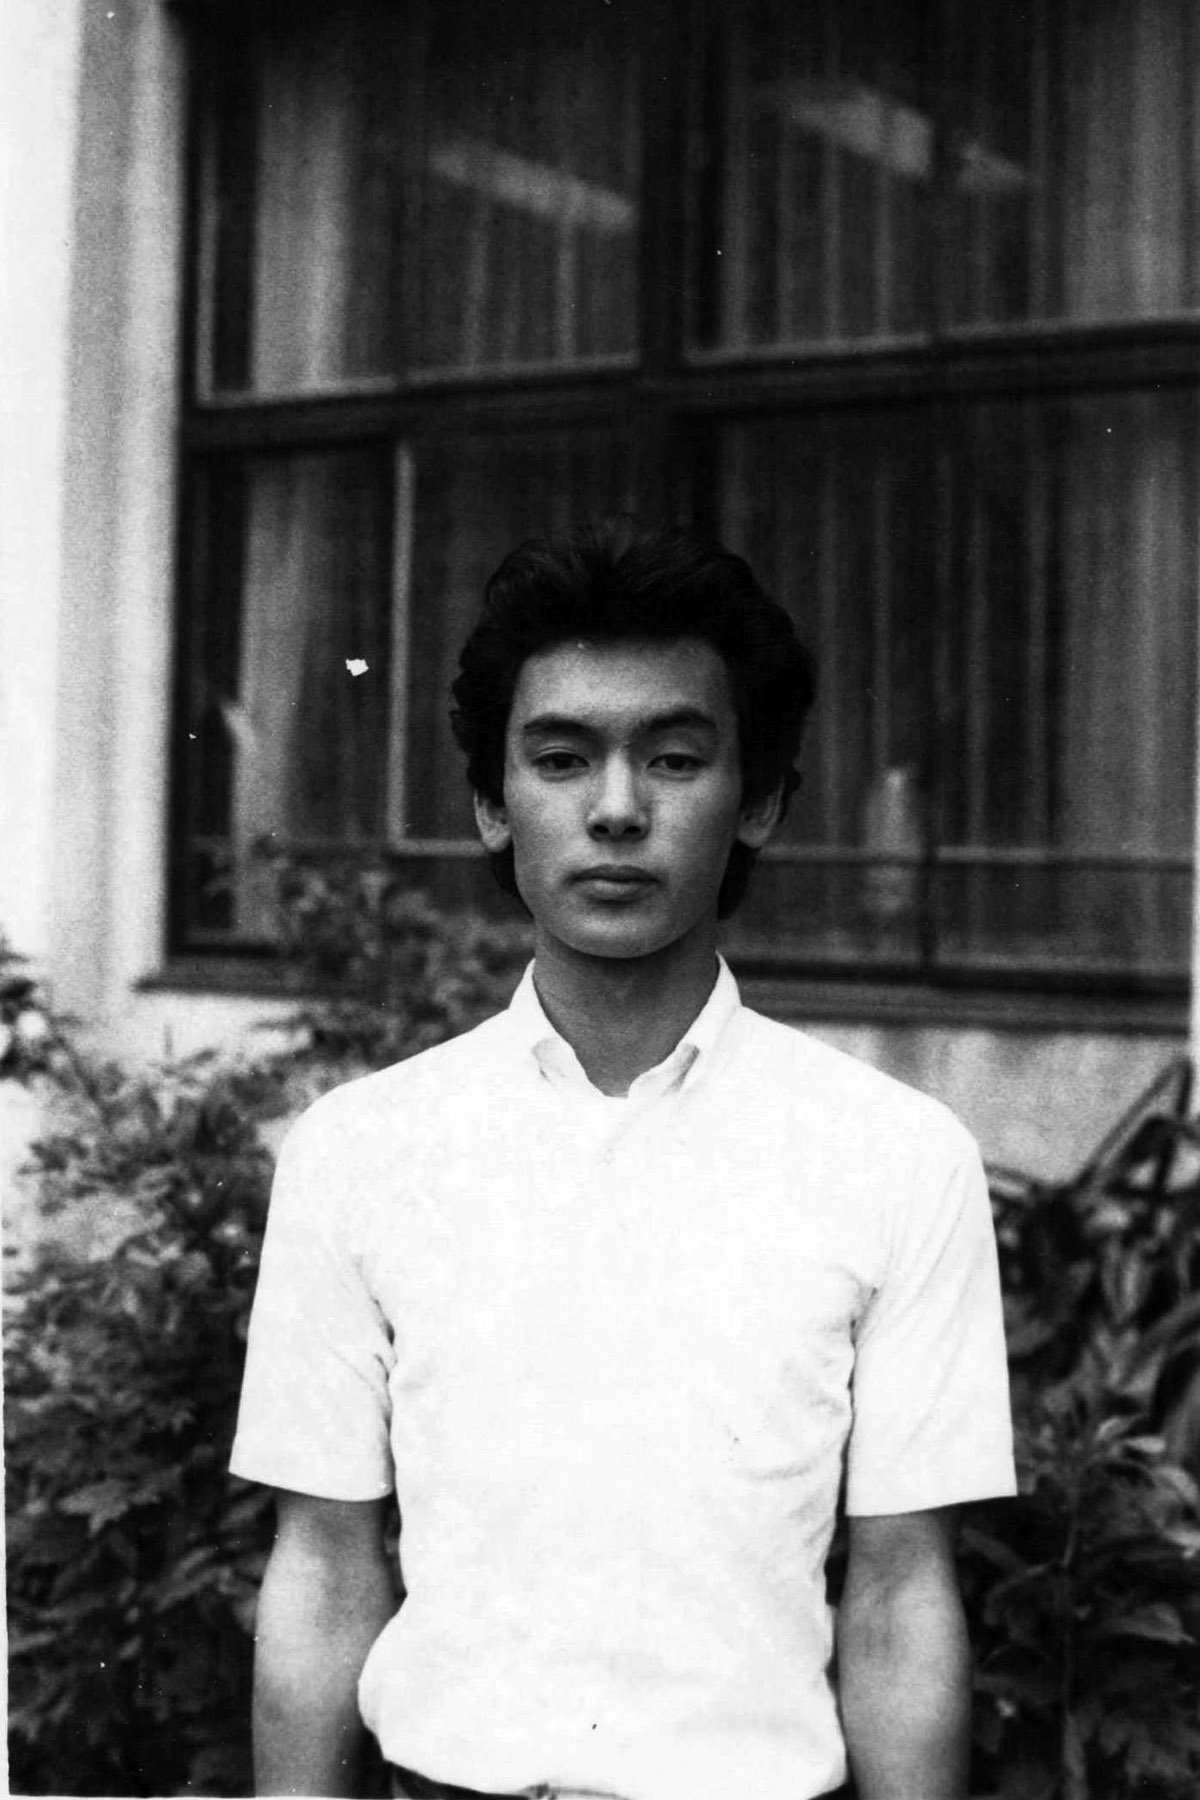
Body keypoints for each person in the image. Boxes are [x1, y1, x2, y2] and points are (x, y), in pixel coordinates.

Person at [231, 522, 1015, 1800]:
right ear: (493, 804)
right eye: (559, 758)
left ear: (759, 798)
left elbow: (899, 1599)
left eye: (673, 758)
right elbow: (322, 1572)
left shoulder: (894, 1157)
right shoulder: (361, 1151)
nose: (614, 808)